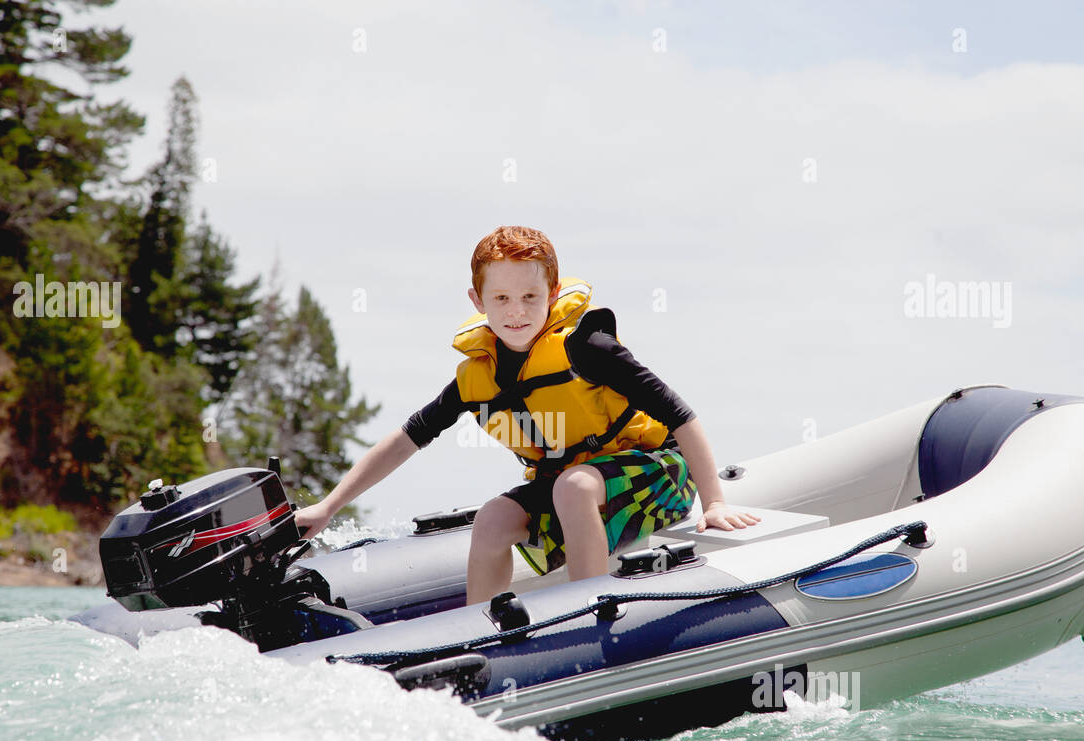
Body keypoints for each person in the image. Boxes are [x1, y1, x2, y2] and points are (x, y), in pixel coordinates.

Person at [293, 225, 760, 605]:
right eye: (501, 299)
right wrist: (328, 506)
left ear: (553, 294)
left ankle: (589, 611)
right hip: (575, 485)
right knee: (493, 519)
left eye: (530, 298)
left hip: (660, 475)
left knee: (572, 486)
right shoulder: (479, 376)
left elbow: (681, 416)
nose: (517, 312)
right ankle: (477, 636)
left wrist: (714, 502)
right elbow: (406, 439)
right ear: (478, 301)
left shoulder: (587, 349)